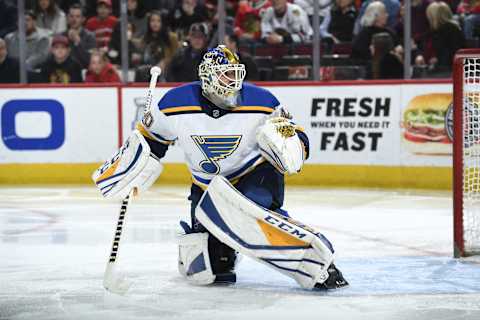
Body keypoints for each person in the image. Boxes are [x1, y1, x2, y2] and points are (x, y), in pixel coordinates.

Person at [93, 45, 348, 290]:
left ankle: (317, 264)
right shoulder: (175, 104)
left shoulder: (263, 101)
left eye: (235, 75)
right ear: (208, 78)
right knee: (209, 271)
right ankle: (227, 248)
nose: (233, 82)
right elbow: (152, 143)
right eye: (226, 75)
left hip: (254, 176)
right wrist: (133, 166)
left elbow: (296, 136)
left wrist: (292, 144)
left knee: (245, 213)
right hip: (206, 186)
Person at [62, 4, 97, 68]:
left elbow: (89, 61)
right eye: (71, 16)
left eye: (77, 16)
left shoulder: (90, 37)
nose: (74, 19)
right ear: (67, 18)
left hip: (83, 73)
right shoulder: (61, 36)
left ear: (83, 19)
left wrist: (78, 42)